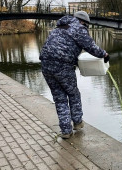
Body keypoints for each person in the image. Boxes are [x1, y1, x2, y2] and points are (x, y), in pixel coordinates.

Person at [39, 11, 110, 139]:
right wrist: (104, 54)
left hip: (45, 64)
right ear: (83, 22)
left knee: (60, 98)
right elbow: (91, 47)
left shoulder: (60, 27)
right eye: (87, 26)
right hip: (62, 65)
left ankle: (66, 131)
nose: (86, 29)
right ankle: (77, 123)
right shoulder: (78, 28)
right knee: (73, 94)